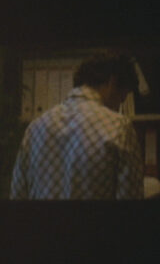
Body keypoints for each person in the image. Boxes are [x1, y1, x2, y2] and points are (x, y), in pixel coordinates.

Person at [10, 51, 143, 200]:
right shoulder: (120, 127)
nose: (119, 106)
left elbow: (17, 195)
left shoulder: (35, 128)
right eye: (122, 98)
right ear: (112, 83)